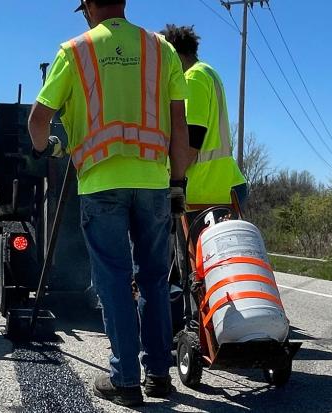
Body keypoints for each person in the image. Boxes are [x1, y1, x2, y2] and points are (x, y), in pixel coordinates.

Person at [28, 0, 194, 406]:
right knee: (155, 280)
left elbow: (37, 120)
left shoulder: (75, 51)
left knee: (114, 281)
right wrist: (177, 181)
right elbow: (178, 124)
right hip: (154, 182)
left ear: (86, 6)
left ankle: (125, 378)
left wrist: (47, 148)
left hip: (101, 184)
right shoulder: (162, 50)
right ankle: (158, 373)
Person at [159, 25, 248, 212]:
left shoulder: (192, 78)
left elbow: (192, 138)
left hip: (206, 192)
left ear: (173, 55)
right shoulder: (208, 72)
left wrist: (172, 180)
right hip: (223, 187)